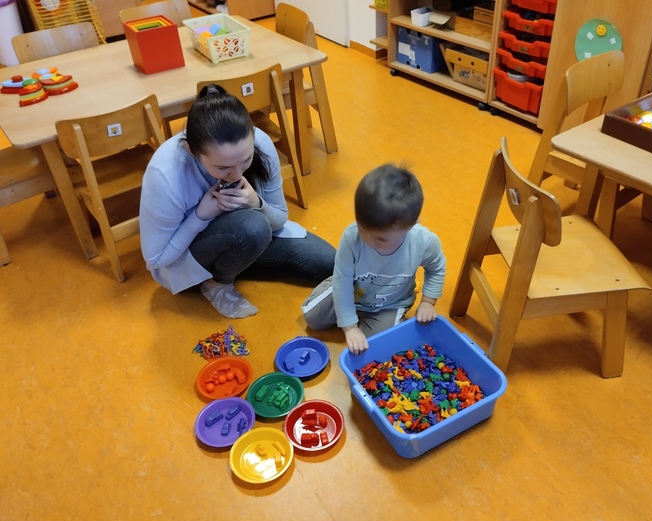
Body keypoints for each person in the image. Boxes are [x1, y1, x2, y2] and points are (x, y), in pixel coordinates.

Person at [139, 84, 336, 318]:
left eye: (246, 160)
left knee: (329, 263)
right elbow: (156, 260)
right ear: (191, 150)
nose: (236, 174)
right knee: (253, 227)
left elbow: (280, 218)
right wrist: (200, 216)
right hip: (192, 253)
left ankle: (237, 260)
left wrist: (257, 203)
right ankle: (217, 283)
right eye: (222, 167)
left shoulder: (260, 143)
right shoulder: (166, 173)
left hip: (249, 237)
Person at [301, 164, 446, 354]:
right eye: (362, 229)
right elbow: (343, 283)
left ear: (411, 225)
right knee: (312, 318)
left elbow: (436, 268)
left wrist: (428, 302)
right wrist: (350, 327)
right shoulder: (351, 237)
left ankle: (368, 320)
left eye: (380, 239)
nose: (368, 241)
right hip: (351, 291)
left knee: (378, 347)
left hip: (390, 305)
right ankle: (345, 304)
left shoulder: (424, 241)